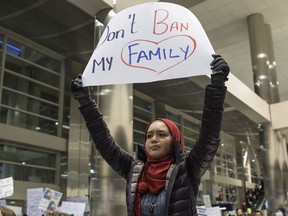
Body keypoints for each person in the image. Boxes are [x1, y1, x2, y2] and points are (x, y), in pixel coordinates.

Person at [70, 54, 230, 216]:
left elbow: (209, 136)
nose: (154, 139)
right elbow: (104, 143)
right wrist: (85, 101)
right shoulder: (135, 170)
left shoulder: (188, 166)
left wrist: (217, 86)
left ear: (174, 140)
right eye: (149, 136)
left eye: (161, 134)